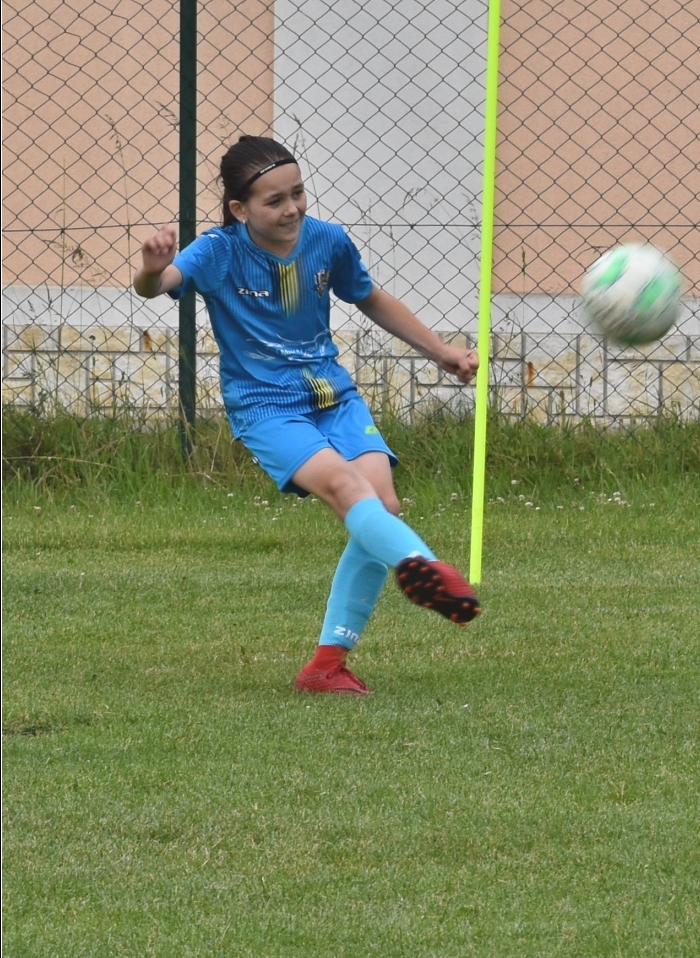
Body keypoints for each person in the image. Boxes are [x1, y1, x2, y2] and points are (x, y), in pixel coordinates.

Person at [133, 135, 483, 695]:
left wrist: (440, 351)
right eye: (274, 201)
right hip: (266, 406)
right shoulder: (218, 252)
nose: (292, 208)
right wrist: (152, 269)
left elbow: (368, 296)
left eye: (297, 193)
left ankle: (325, 667)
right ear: (240, 209)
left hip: (333, 396)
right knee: (348, 489)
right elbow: (159, 285)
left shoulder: (327, 240)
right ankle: (422, 564)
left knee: (383, 507)